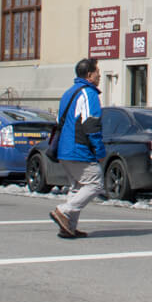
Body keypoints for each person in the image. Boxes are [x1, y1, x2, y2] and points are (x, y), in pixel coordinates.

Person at [50, 58, 105, 240]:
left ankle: (69, 227)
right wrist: (99, 151)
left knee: (76, 187)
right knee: (95, 182)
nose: (99, 75)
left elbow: (59, 121)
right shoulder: (89, 94)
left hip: (64, 150)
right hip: (79, 148)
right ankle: (64, 211)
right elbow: (92, 125)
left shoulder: (68, 93)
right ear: (89, 75)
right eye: (97, 72)